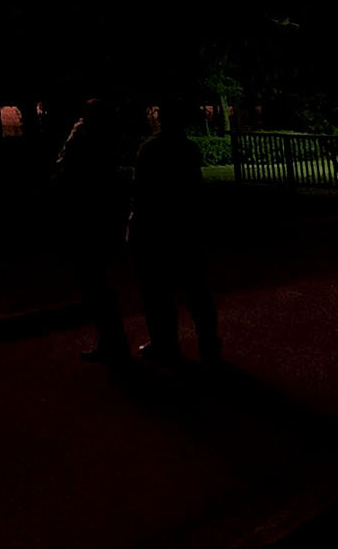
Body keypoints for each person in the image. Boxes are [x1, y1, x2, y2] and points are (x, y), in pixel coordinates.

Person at [129, 98, 222, 365]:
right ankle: (209, 344)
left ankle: (165, 344)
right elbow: (195, 190)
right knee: (197, 291)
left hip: (156, 229)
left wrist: (136, 224)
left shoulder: (150, 149)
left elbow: (142, 192)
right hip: (185, 227)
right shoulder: (188, 148)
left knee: (158, 292)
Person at [54, 99, 130, 365]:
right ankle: (112, 340)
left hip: (86, 219)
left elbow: (67, 165)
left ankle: (112, 342)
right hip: (96, 218)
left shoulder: (86, 139)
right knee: (98, 282)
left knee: (95, 282)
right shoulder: (103, 142)